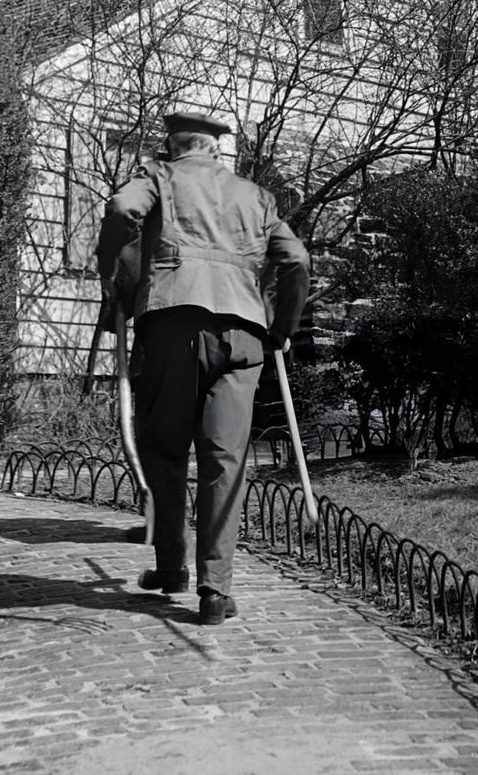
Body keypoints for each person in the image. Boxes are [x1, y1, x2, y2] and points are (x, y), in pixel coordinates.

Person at [96, 110, 310, 625]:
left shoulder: (159, 177)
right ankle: (216, 591)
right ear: (215, 150)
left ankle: (172, 568)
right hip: (243, 337)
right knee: (226, 462)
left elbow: (123, 208)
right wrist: (281, 328)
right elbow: (297, 261)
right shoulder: (255, 196)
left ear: (172, 146)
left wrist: (110, 275)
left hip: (172, 326)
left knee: (165, 450)